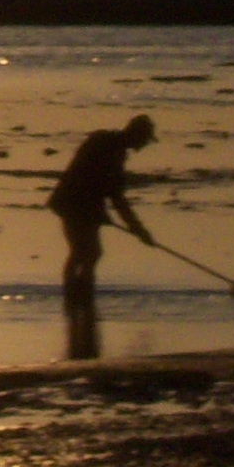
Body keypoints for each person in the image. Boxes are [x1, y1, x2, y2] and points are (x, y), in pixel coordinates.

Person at [48, 116, 156, 355]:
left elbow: (109, 192)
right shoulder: (108, 148)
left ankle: (79, 300)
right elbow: (108, 192)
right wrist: (138, 229)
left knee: (86, 252)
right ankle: (78, 301)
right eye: (145, 140)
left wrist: (133, 227)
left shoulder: (109, 145)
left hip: (80, 205)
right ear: (136, 135)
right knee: (86, 251)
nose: (145, 145)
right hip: (74, 204)